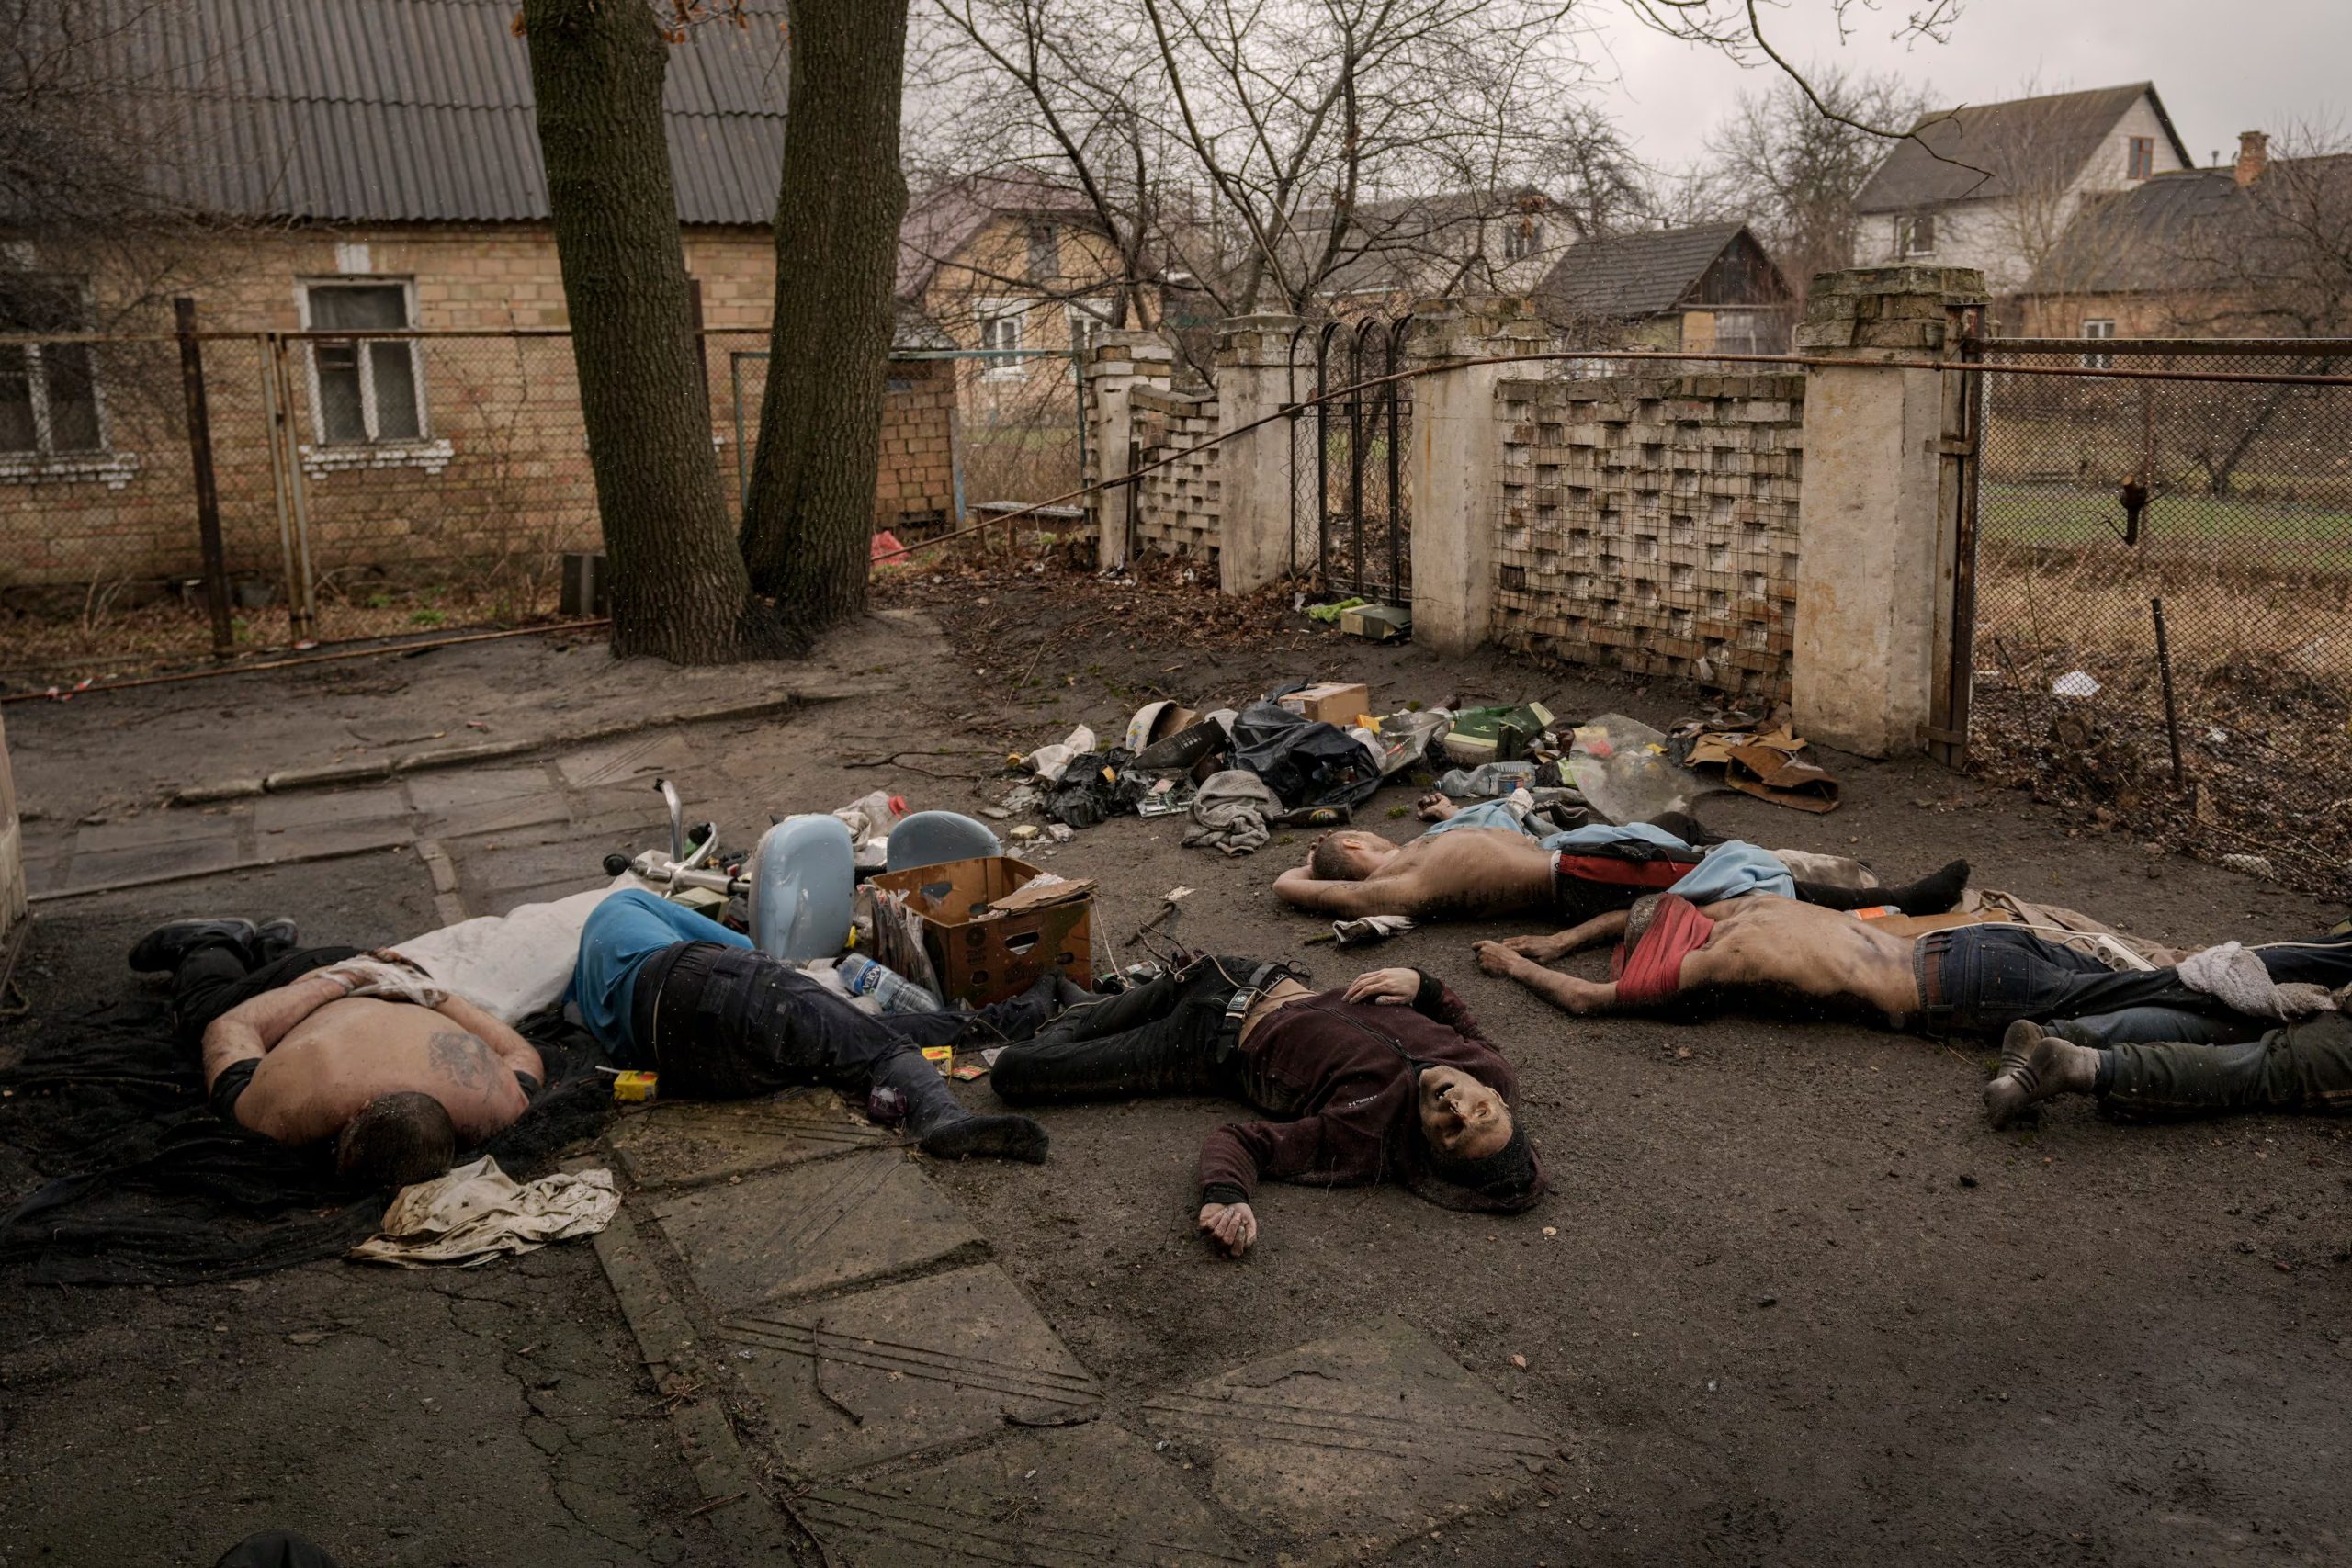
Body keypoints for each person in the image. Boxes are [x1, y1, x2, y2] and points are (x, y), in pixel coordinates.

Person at [990, 954, 1544, 1257]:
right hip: (1233, 973)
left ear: (1429, 1140)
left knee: (1015, 1070)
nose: (1458, 1108)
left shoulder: (1366, 1138)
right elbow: (1459, 1015)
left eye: (1452, 1130)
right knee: (1080, 1028)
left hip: (1197, 1043)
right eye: (1481, 1112)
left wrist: (1226, 1197)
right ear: (1495, 1099)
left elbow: (1244, 1141)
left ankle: (1069, 1008)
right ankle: (1072, 1004)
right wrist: (1422, 984)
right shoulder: (1491, 1070)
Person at [571, 888, 1064, 1162]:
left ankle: (1014, 1019)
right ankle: (942, 1120)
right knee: (876, 1050)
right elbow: (748, 953)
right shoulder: (627, 903)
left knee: (850, 1041)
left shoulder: (583, 980)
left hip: (682, 1060)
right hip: (698, 979)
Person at [129, 916, 544, 1191]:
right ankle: (228, 940)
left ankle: (242, 942)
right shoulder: (291, 1111)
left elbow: (520, 1052)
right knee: (207, 1012)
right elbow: (229, 1028)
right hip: (328, 978)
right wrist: (346, 980)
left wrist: (423, 991)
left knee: (209, 1011)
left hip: (363, 972)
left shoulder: (492, 1103)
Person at [1275, 812, 1967, 927]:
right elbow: (1298, 889)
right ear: (1357, 855)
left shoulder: (1421, 846)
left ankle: (1736, 854)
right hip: (1577, 878)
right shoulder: (1401, 880)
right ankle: (1899, 902)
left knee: (1684, 833)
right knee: (1738, 881)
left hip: (1582, 850)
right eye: (1360, 838)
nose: (1372, 835)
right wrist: (1312, 863)